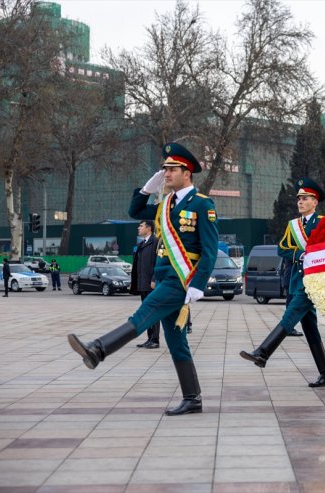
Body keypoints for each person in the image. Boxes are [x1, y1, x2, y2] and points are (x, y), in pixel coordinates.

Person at [68, 142, 218, 416]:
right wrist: (147, 189)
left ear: (188, 173)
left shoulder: (202, 204)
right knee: (176, 342)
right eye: (164, 169)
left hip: (180, 280)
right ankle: (193, 399)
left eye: (172, 168)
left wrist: (197, 284)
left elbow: (209, 250)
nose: (166, 173)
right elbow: (135, 212)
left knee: (143, 314)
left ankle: (98, 349)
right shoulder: (165, 205)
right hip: (163, 278)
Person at [240, 178, 325, 387]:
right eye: (299, 198)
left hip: (315, 282)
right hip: (298, 281)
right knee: (310, 330)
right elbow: (281, 249)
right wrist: (299, 254)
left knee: (290, 316)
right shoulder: (294, 226)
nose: (300, 202)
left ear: (315, 202)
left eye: (305, 198)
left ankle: (263, 352)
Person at [132, 220, 160, 349]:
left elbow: (158, 263)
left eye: (141, 226)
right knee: (146, 312)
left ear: (148, 228)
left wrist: (154, 279)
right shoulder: (142, 243)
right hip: (143, 283)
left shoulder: (155, 242)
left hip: (151, 284)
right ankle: (150, 338)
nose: (138, 228)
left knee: (152, 312)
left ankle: (155, 339)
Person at [280, 257, 303, 337]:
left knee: (290, 305)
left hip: (289, 280)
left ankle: (288, 328)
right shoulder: (292, 253)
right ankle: (287, 328)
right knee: (291, 306)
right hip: (291, 281)